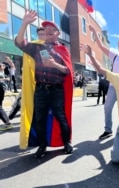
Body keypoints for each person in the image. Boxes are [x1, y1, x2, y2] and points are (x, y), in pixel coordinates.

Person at [15, 10, 73, 158]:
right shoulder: (37, 47)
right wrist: (24, 24)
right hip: (40, 89)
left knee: (60, 116)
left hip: (56, 90)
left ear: (57, 33)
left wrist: (55, 64)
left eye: (51, 30)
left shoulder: (63, 49)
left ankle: (66, 142)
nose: (47, 32)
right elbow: (19, 42)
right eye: (45, 30)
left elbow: (67, 71)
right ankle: (42, 145)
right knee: (39, 118)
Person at [0, 62, 13, 131]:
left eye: (1, 65)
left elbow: (7, 79)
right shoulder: (3, 73)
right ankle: (7, 123)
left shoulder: (4, 72)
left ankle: (7, 123)